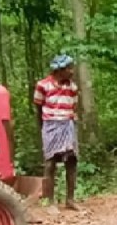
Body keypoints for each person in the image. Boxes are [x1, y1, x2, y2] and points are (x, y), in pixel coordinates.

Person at [33, 54, 81, 215]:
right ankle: (51, 201)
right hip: (50, 125)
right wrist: (43, 127)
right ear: (60, 70)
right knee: (50, 164)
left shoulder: (72, 87)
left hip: (67, 124)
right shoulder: (43, 85)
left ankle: (70, 199)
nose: (72, 72)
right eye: (69, 68)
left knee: (72, 161)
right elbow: (38, 108)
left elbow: (73, 107)